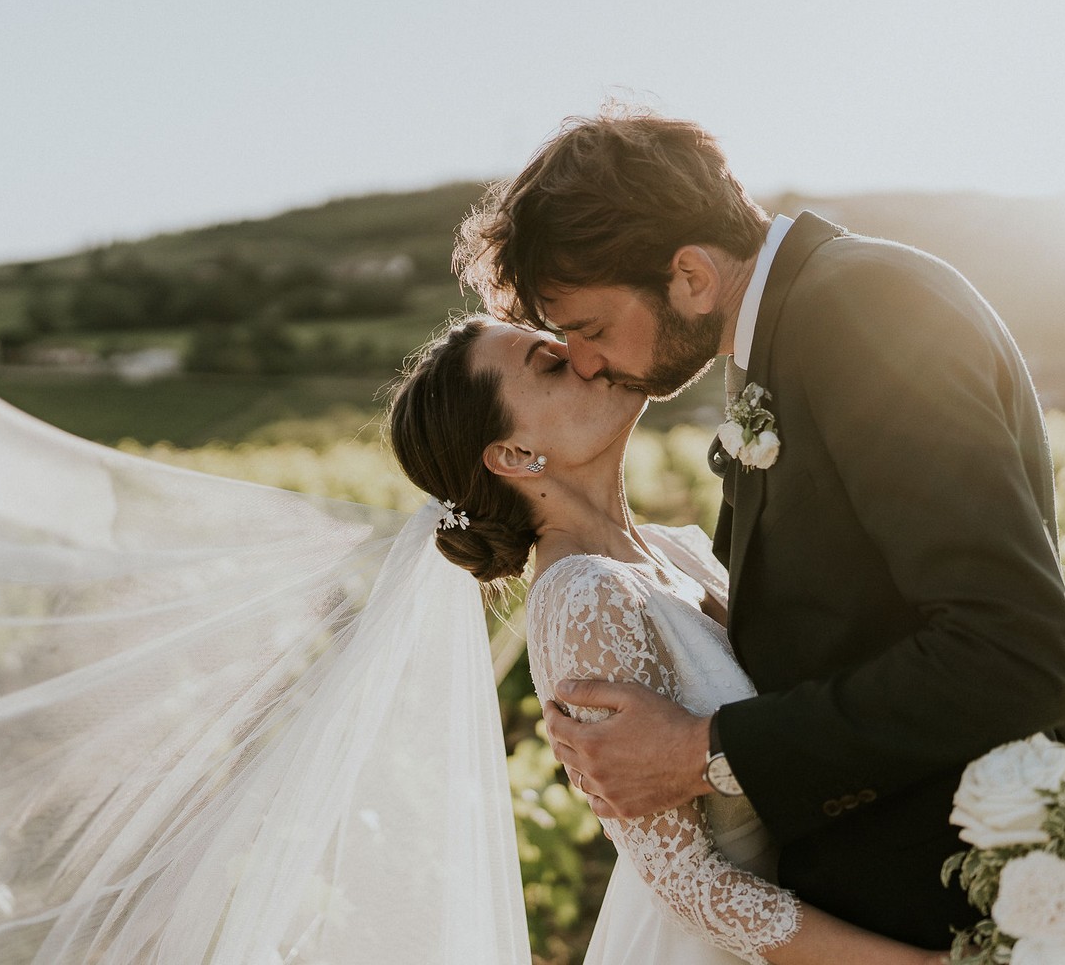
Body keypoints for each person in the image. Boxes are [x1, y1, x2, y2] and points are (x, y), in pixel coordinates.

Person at [452, 108, 1065, 948]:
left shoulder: (857, 314)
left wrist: (702, 750)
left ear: (688, 276)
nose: (587, 363)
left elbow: (1016, 656)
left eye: (591, 329)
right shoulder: (797, 329)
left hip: (946, 910)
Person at [388, 313, 944, 965]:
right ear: (513, 455)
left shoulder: (677, 548)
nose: (584, 357)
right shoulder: (582, 599)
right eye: (548, 362)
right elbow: (690, 884)